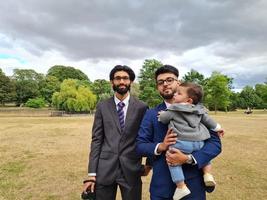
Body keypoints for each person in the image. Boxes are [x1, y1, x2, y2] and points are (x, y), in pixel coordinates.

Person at [136, 65, 222, 200]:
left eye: (169, 80)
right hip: (161, 188)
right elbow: (140, 145)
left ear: (178, 82)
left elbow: (215, 144)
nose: (165, 84)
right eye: (160, 82)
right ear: (157, 87)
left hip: (193, 187)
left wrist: (189, 159)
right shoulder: (152, 114)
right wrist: (161, 146)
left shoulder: (197, 110)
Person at [83, 65, 150, 200]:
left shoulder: (142, 107)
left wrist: (149, 164)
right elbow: (97, 140)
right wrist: (91, 173)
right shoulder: (102, 106)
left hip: (131, 169)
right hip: (105, 169)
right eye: (117, 78)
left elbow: (148, 138)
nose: (121, 82)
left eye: (125, 78)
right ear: (112, 82)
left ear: (131, 81)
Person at [158, 82, 224, 199]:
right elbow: (209, 121)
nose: (175, 95)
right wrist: (218, 128)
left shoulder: (173, 109)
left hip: (182, 143)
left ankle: (181, 186)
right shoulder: (199, 110)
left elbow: (163, 119)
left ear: (188, 100)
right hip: (199, 143)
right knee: (206, 158)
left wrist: (162, 114)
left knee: (172, 159)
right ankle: (207, 174)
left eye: (178, 93)